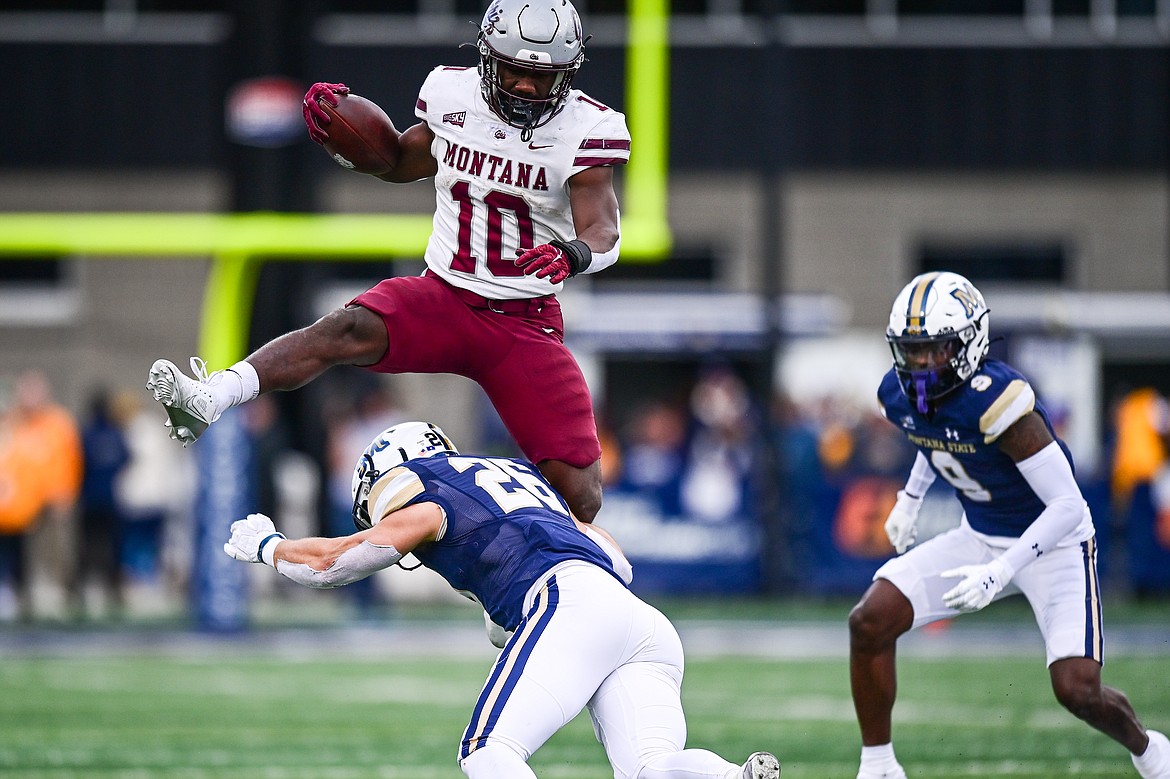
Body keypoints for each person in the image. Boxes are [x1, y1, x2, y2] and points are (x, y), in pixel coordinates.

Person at [146, 0, 627, 523]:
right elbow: (398, 161)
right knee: (343, 328)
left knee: (581, 493)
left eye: (544, 75)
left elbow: (602, 228)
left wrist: (572, 253)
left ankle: (520, 561)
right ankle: (210, 397)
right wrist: (348, 141)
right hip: (445, 295)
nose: (529, 87)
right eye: (517, 70)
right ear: (489, 58)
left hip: (522, 321)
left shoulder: (584, 129)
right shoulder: (453, 95)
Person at [222, 420, 780, 779]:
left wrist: (271, 548)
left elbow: (335, 563)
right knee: (652, 769)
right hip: (639, 622)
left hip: (568, 603)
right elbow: (617, 560)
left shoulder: (422, 485)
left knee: (487, 750)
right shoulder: (514, 475)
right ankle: (734, 777)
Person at [847, 271, 1170, 779]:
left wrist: (1001, 571)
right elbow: (932, 435)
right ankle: (879, 766)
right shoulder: (901, 393)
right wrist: (909, 500)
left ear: (971, 342)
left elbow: (1068, 505)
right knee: (869, 620)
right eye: (913, 350)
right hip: (979, 537)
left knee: (1077, 690)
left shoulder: (1000, 402)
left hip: (1057, 544)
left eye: (937, 349)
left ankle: (1150, 752)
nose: (923, 364)